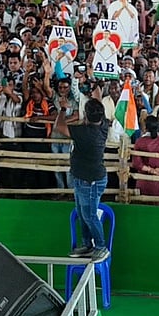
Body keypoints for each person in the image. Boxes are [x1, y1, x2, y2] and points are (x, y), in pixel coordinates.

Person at [55, 95, 110, 262]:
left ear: (86, 115)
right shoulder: (103, 126)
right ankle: (87, 244)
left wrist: (63, 109)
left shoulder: (85, 133)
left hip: (89, 181)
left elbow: (59, 126)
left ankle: (101, 247)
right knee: (82, 213)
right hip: (83, 178)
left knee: (90, 215)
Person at [132, 116, 159, 204]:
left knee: (144, 207)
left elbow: (137, 163)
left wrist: (150, 170)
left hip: (145, 178)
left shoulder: (140, 142)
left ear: (145, 127)